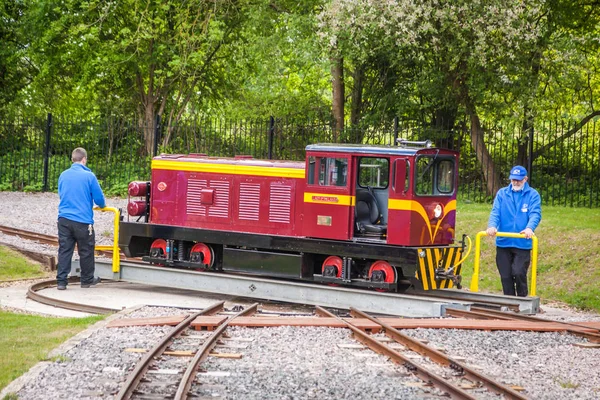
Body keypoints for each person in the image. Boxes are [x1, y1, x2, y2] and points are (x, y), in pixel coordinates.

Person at [486, 165, 541, 297]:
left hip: (522, 243)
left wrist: (529, 228)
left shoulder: (532, 194)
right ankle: (509, 302)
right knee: (505, 275)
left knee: (518, 272)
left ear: (525, 179)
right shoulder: (502, 193)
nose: (515, 182)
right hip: (504, 242)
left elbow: (535, 214)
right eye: (513, 179)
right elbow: (496, 212)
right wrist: (492, 226)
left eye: (518, 180)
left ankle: (522, 300)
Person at [56, 147, 106, 290]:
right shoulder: (89, 176)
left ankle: (61, 281)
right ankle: (86, 280)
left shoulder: (63, 175)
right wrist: (102, 205)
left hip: (64, 218)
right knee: (86, 250)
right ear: (84, 159)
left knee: (65, 249)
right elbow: (99, 199)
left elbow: (61, 193)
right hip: (82, 220)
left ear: (72, 159)